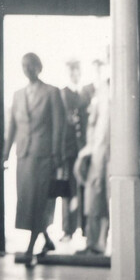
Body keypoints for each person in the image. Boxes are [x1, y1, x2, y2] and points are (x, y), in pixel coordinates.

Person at [2, 53, 65, 266]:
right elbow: (12, 127)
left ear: (39, 67)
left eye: (31, 65)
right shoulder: (18, 95)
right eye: (24, 66)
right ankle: (46, 239)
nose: (27, 69)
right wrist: (5, 153)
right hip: (24, 155)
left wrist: (56, 154)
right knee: (28, 201)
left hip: (44, 155)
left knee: (39, 201)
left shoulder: (52, 92)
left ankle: (30, 248)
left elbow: (59, 126)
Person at [74, 58, 110, 255]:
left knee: (105, 199)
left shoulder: (114, 91)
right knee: (94, 199)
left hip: (109, 154)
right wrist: (87, 151)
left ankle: (101, 244)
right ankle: (93, 242)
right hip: (97, 152)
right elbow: (93, 125)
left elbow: (103, 129)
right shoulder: (100, 92)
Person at [59, 59, 93, 242]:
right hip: (71, 150)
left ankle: (87, 230)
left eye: (77, 70)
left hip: (87, 149)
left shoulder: (87, 92)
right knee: (70, 190)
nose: (74, 74)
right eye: (71, 71)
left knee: (87, 188)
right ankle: (68, 230)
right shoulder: (63, 94)